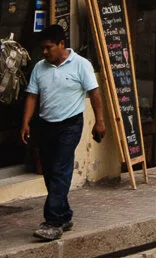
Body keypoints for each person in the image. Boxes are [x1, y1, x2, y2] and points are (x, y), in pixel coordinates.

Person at [20, 24, 105, 242]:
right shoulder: (40, 67)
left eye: (49, 47)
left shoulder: (81, 65)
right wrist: (26, 123)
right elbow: (32, 96)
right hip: (46, 124)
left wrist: (99, 122)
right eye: (43, 48)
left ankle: (53, 221)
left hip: (70, 124)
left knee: (60, 169)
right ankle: (65, 214)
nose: (45, 52)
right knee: (50, 172)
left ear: (61, 45)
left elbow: (94, 94)